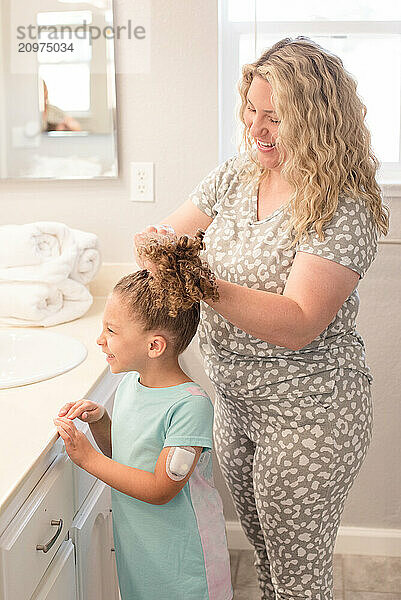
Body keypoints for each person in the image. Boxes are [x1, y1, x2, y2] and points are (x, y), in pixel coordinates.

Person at [133, 37, 390, 600]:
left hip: (309, 415)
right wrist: (156, 246)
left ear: (318, 120)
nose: (257, 128)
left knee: (298, 582)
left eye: (275, 117)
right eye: (251, 110)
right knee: (268, 564)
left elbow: (298, 321)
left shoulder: (341, 204)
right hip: (240, 407)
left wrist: (195, 279)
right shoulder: (235, 176)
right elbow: (172, 232)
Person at [53, 229, 233, 600]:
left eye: (111, 330)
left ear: (154, 346)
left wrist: (86, 459)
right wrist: (102, 422)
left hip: (186, 567)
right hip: (144, 555)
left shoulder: (189, 406)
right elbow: (126, 455)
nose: (100, 339)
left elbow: (159, 489)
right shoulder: (132, 384)